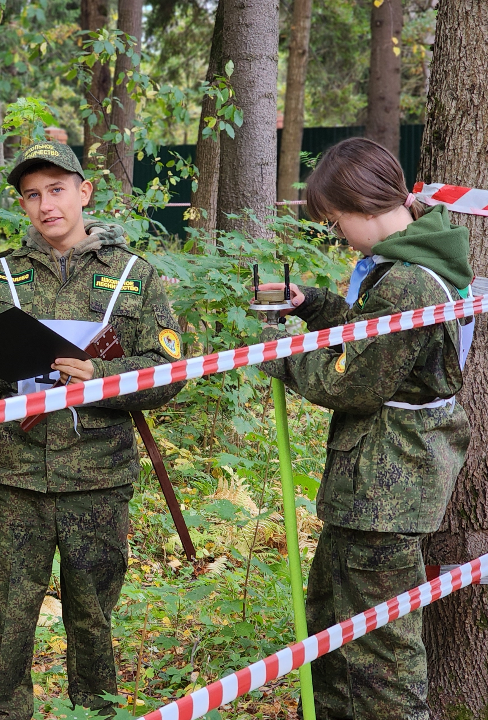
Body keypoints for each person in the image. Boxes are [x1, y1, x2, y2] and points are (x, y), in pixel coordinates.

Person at [0, 141, 186, 719]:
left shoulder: (134, 276)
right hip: (15, 477)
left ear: (84, 192)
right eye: (32, 195)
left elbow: (169, 374)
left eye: (57, 190)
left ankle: (97, 712)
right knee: (7, 620)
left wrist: (101, 376)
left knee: (93, 621)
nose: (46, 205)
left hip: (97, 477)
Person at [256, 137, 473, 720]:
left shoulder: (408, 281)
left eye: (335, 221)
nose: (339, 235)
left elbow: (352, 382)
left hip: (385, 487)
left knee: (381, 654)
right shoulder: (422, 260)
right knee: (334, 629)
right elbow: (375, 337)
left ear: (361, 204)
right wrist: (313, 305)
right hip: (379, 483)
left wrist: (279, 353)